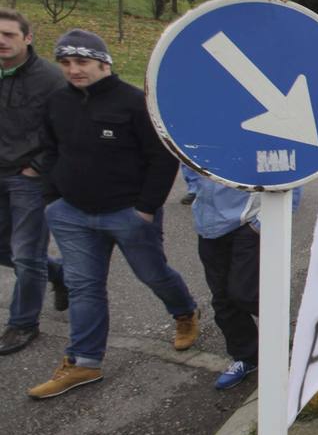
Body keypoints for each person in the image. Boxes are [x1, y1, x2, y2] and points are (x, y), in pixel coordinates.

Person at [29, 30, 198, 398]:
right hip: (72, 214)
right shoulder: (57, 101)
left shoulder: (135, 103)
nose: (74, 70)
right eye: (66, 63)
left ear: (104, 63)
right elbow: (49, 149)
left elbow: (160, 157)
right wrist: (52, 198)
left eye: (82, 62)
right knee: (84, 287)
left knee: (153, 274)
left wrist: (146, 209)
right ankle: (85, 362)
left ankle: (185, 312)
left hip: (128, 214)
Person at [0, 8, 68, 356]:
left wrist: (38, 167)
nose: (2, 40)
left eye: (9, 34)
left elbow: (67, 129)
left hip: (28, 179)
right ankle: (57, 274)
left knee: (26, 255)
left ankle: (23, 323)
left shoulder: (51, 79)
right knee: (6, 251)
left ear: (27, 38)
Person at [190, 176, 301, 389]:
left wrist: (261, 224)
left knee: (245, 292)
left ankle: (280, 329)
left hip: (245, 225)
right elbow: (188, 161)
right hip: (207, 225)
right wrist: (195, 188)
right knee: (222, 300)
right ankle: (247, 357)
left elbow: (292, 173)